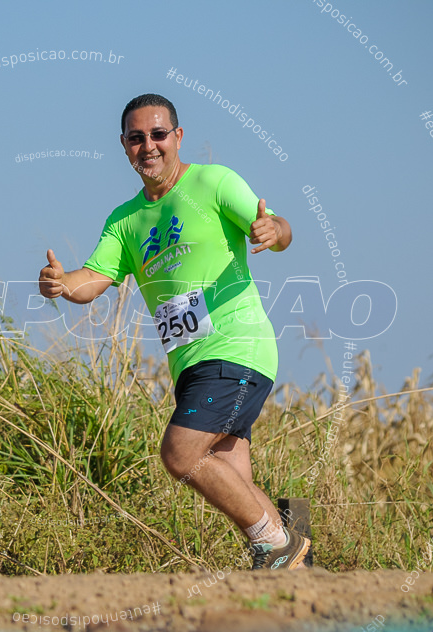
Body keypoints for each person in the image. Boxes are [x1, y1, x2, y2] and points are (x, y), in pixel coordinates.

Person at [38, 93, 309, 570]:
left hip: (237, 347)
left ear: (177, 137)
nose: (149, 146)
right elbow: (92, 280)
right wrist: (62, 285)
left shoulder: (213, 181)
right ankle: (295, 553)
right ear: (124, 146)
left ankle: (278, 544)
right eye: (137, 138)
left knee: (180, 454)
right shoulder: (125, 221)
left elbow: (277, 226)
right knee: (230, 473)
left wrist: (274, 230)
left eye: (158, 135)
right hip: (190, 364)